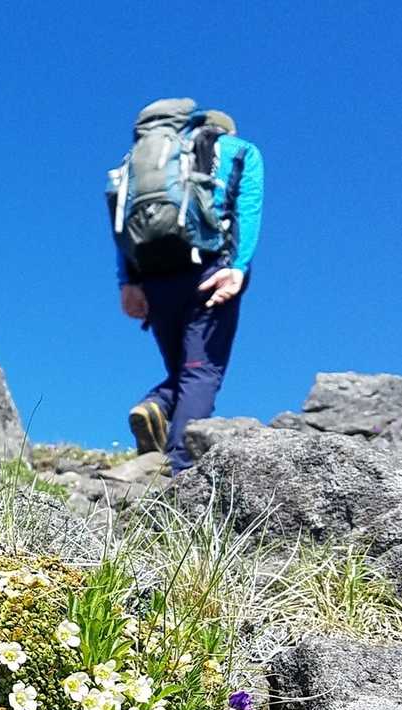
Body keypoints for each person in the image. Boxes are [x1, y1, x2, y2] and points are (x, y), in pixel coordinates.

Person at [110, 100, 264, 472]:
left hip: (155, 275)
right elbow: (248, 209)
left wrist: (128, 281)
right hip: (208, 271)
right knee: (201, 370)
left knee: (185, 369)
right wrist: (238, 267)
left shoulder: (143, 159)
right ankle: (179, 470)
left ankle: (155, 406)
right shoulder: (240, 150)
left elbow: (121, 216)